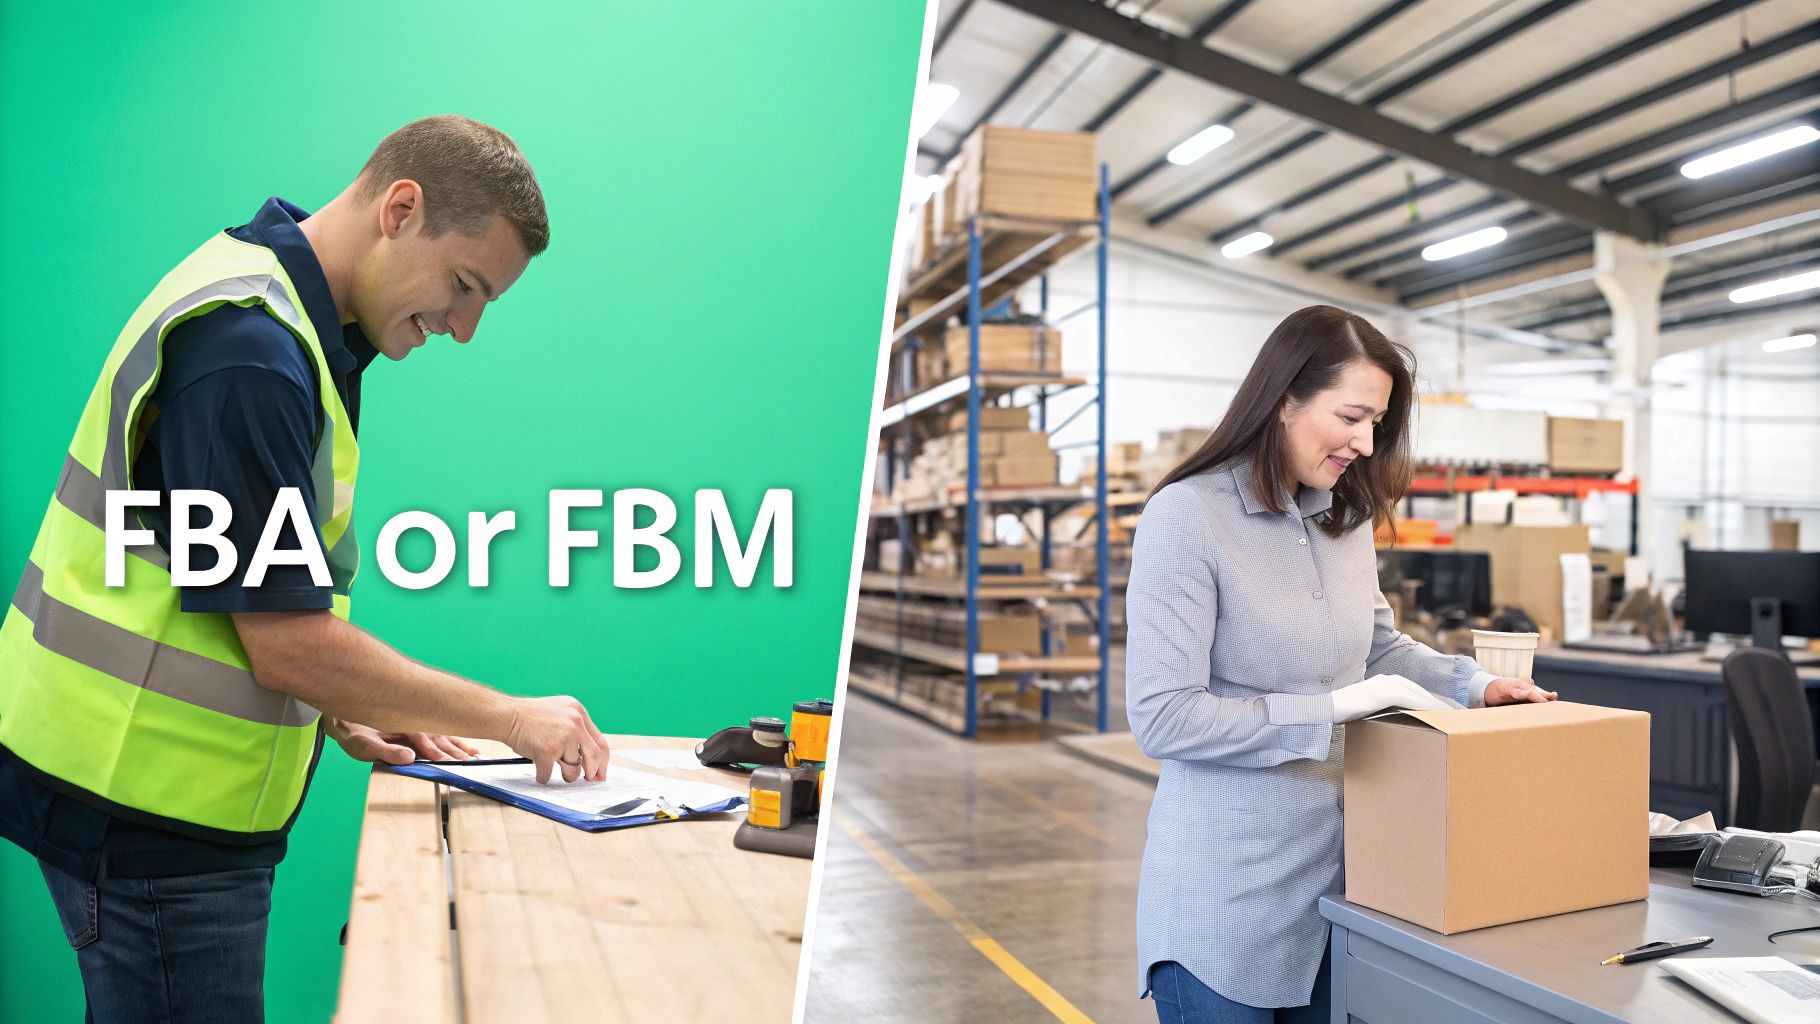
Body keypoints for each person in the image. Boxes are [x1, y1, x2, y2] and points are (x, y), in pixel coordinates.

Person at [0, 115, 612, 1023]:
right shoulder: (250, 354)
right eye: (465, 284)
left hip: (145, 801)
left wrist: (345, 704)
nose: (465, 326)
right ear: (401, 209)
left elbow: (223, 570)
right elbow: (285, 641)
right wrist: (512, 719)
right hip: (144, 817)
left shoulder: (283, 317)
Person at [1125, 305, 1557, 1023]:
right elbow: (1163, 717)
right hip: (1223, 899)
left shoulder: (1342, 521)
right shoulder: (1187, 518)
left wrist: (1479, 687)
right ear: (1285, 398)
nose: (1364, 441)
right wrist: (1329, 712)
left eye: (1377, 424)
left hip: (1338, 892)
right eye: (1352, 416)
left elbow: (1378, 648)